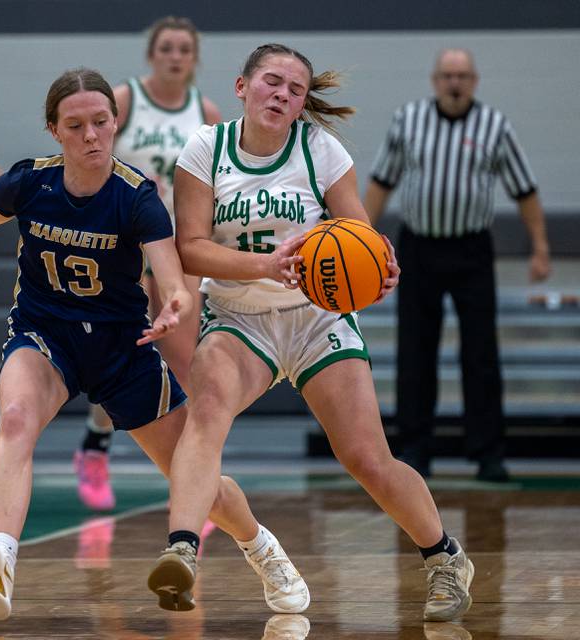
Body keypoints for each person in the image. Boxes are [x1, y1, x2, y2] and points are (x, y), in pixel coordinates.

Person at [0, 68, 302, 621]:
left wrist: (175, 303)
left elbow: (171, 273)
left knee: (201, 485)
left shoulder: (136, 196)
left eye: (100, 122)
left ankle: (262, 547)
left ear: (115, 122)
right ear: (54, 130)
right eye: (75, 126)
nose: (91, 135)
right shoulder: (30, 182)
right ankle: (1, 559)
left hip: (123, 349)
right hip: (45, 335)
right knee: (16, 419)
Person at [147, 42, 474, 623]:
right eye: (272, 82)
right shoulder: (206, 148)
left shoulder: (320, 149)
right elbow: (190, 249)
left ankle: (445, 557)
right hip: (239, 316)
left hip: (316, 317)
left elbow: (361, 235)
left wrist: (381, 268)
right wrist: (265, 265)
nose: (282, 95)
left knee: (366, 458)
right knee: (207, 413)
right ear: (242, 87)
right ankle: (182, 550)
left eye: (295, 90)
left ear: (302, 104)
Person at [364, 48, 551, 482]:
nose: (454, 83)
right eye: (447, 75)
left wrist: (540, 247)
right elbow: (380, 184)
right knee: (415, 350)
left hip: (471, 250)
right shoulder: (407, 121)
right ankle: (415, 448)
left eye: (462, 76)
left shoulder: (496, 126)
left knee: (481, 353)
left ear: (474, 81)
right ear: (435, 80)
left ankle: (488, 453)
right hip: (419, 249)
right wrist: (362, 240)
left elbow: (525, 190)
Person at [74, 15, 222, 512]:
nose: (175, 57)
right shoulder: (126, 100)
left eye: (184, 49)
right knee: (120, 353)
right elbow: (93, 156)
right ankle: (96, 444)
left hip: (180, 245)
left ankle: (194, 482)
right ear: (152, 55)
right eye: (167, 48)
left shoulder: (205, 111)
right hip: (123, 243)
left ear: (194, 58)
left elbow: (218, 181)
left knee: (187, 362)